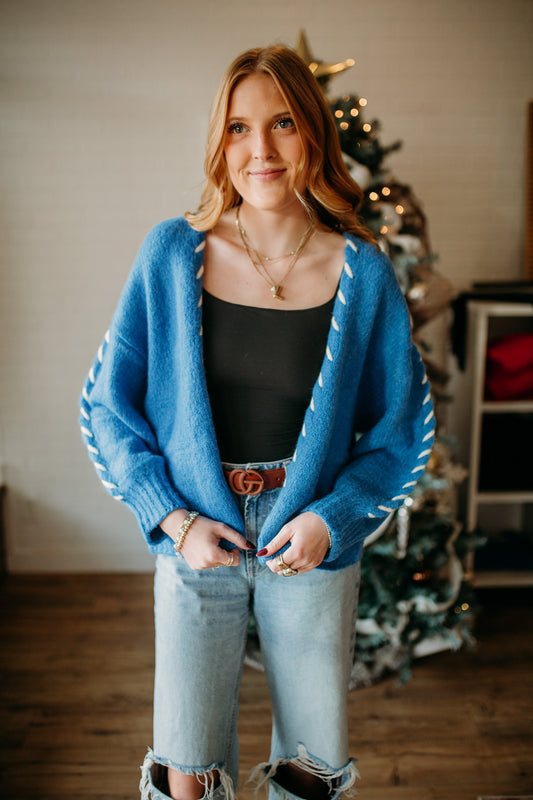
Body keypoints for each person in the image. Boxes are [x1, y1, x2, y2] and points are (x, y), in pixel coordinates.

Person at [79, 45, 435, 800]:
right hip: (195, 534)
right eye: (238, 128)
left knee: (310, 763)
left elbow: (399, 430)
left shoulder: (360, 273)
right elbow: (109, 407)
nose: (260, 150)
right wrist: (172, 520)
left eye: (280, 124)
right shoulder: (172, 255)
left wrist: (334, 518)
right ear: (220, 142)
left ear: (312, 133)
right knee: (186, 770)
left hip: (304, 536)